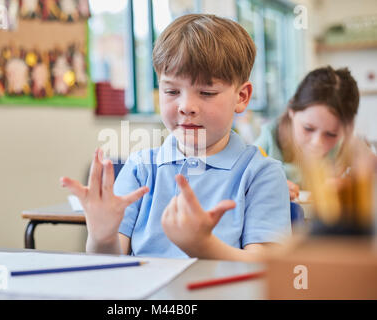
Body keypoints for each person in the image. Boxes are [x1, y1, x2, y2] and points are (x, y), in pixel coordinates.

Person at [61, 14, 291, 262]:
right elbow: (109, 263)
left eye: (206, 92)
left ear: (242, 97)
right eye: (171, 91)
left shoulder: (260, 173)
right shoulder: (141, 168)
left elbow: (266, 269)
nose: (186, 106)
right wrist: (102, 237)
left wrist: (202, 246)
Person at [254, 66, 362, 200]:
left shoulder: (348, 147)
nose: (317, 142)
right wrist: (264, 186)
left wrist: (350, 184)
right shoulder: (268, 141)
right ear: (291, 111)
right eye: (308, 129)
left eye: (331, 134)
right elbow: (242, 184)